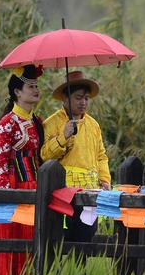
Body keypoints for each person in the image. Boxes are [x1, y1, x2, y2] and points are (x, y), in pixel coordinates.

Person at [0, 64, 43, 275]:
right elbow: (0, 164)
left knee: (32, 241)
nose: (36, 90)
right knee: (10, 238)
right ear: (17, 92)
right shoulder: (8, 123)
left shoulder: (37, 122)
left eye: (37, 86)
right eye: (30, 86)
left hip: (34, 186)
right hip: (14, 187)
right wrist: (7, 196)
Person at [40, 71, 111, 243]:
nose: (83, 102)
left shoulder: (93, 125)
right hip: (63, 191)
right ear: (65, 98)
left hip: (90, 190)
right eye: (79, 97)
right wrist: (63, 137)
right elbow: (45, 156)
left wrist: (105, 178)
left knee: (86, 235)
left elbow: (101, 156)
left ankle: (81, 270)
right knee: (60, 239)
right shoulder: (52, 123)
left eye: (86, 98)